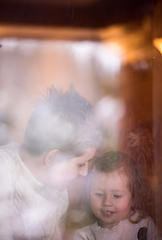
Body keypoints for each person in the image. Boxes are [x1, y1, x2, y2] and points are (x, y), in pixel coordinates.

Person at [0, 85, 104, 240]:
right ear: (53, 158)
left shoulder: (59, 191)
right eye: (81, 164)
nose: (84, 172)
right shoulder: (4, 173)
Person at [73, 151, 161, 240]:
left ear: (134, 198)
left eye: (116, 196)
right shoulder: (84, 235)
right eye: (99, 194)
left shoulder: (144, 224)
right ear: (88, 195)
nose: (107, 202)